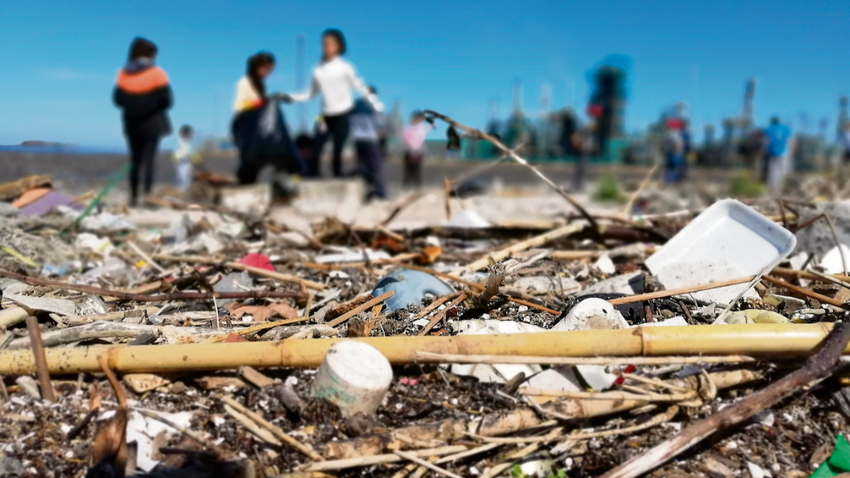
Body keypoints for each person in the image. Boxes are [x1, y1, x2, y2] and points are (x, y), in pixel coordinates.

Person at [284, 29, 384, 177]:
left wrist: (375, 104)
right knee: (316, 146)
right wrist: (290, 97)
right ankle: (312, 176)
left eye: (331, 44)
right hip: (324, 115)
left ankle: (337, 176)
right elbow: (310, 93)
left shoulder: (346, 67)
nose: (327, 47)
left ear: (339, 46)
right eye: (324, 44)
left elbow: (359, 86)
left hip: (344, 113)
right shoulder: (318, 70)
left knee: (338, 149)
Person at [113, 37, 173, 206]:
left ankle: (133, 197)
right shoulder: (157, 73)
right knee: (149, 161)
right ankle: (147, 197)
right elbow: (167, 101)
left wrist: (134, 107)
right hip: (153, 124)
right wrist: (150, 107)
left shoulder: (123, 74)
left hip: (132, 124)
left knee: (134, 161)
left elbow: (117, 99)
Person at [231, 52, 303, 189]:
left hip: (258, 130)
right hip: (248, 128)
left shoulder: (260, 85)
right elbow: (239, 106)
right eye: (266, 69)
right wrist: (261, 103)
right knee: (250, 161)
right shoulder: (245, 82)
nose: (268, 73)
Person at [349, 87, 386, 200]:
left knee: (362, 166)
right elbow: (380, 123)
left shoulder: (355, 104)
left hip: (357, 139)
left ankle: (365, 192)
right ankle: (379, 192)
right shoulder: (374, 104)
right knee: (376, 167)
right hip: (370, 138)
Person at [402, 111, 434, 188]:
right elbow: (405, 140)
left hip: (418, 152)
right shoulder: (407, 128)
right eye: (417, 118)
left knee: (417, 171)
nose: (418, 120)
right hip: (409, 152)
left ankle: (417, 187)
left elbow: (432, 125)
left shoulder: (422, 128)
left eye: (420, 118)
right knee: (408, 171)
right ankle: (406, 187)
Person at [763, 116, 792, 190]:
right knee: (783, 170)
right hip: (784, 152)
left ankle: (772, 187)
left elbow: (766, 141)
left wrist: (764, 151)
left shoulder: (769, 129)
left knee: (773, 171)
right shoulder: (785, 128)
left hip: (772, 152)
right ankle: (783, 186)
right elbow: (789, 140)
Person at [172, 125, 201, 191]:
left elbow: (193, 154)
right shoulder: (180, 142)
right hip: (181, 163)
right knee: (181, 180)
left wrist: (198, 162)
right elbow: (177, 155)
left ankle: (184, 194)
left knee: (187, 181)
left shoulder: (189, 143)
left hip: (187, 163)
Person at [662, 118, 686, 183]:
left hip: (672, 153)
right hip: (675, 153)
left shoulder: (668, 134)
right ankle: (671, 181)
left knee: (671, 168)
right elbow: (677, 144)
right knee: (674, 168)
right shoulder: (673, 134)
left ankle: (669, 180)